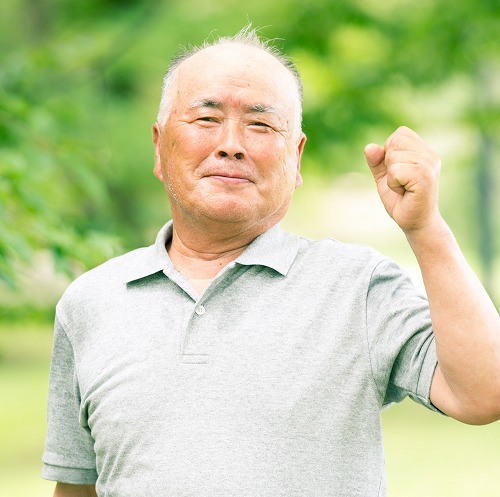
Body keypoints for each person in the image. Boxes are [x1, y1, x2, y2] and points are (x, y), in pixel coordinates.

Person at [42, 27, 500, 497]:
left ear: (296, 157)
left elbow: (485, 392)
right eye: (206, 118)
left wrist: (425, 228)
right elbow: (77, 488)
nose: (231, 144)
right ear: (159, 146)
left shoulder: (357, 287)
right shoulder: (91, 302)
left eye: (260, 125)